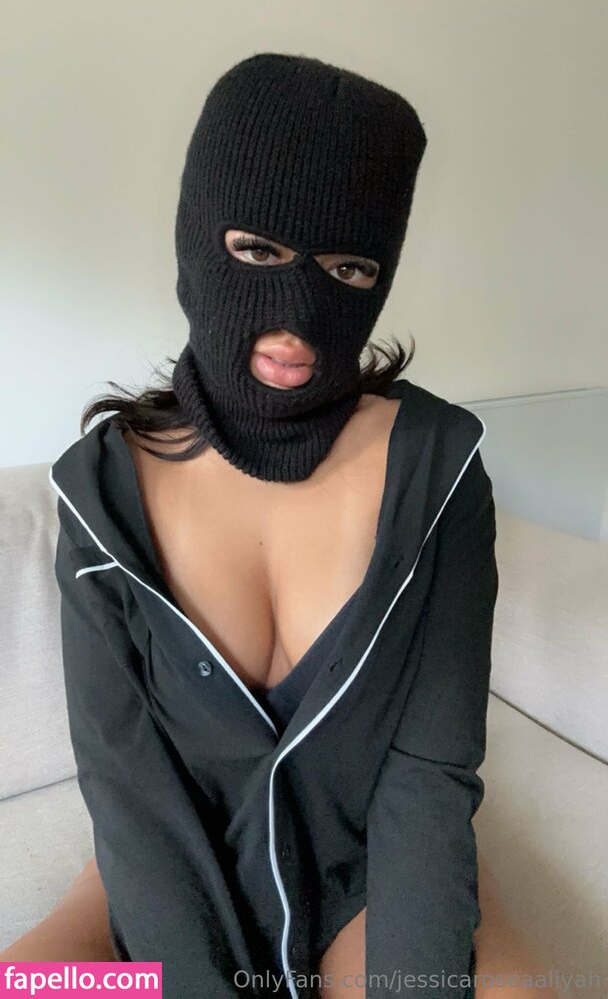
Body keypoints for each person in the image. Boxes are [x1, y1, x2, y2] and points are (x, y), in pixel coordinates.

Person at [2, 53, 556, 998]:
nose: (298, 315)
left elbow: (430, 768)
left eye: (348, 267)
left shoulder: (439, 468)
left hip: (372, 866)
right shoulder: (98, 494)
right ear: (197, 236)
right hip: (168, 863)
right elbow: (131, 791)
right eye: (259, 250)